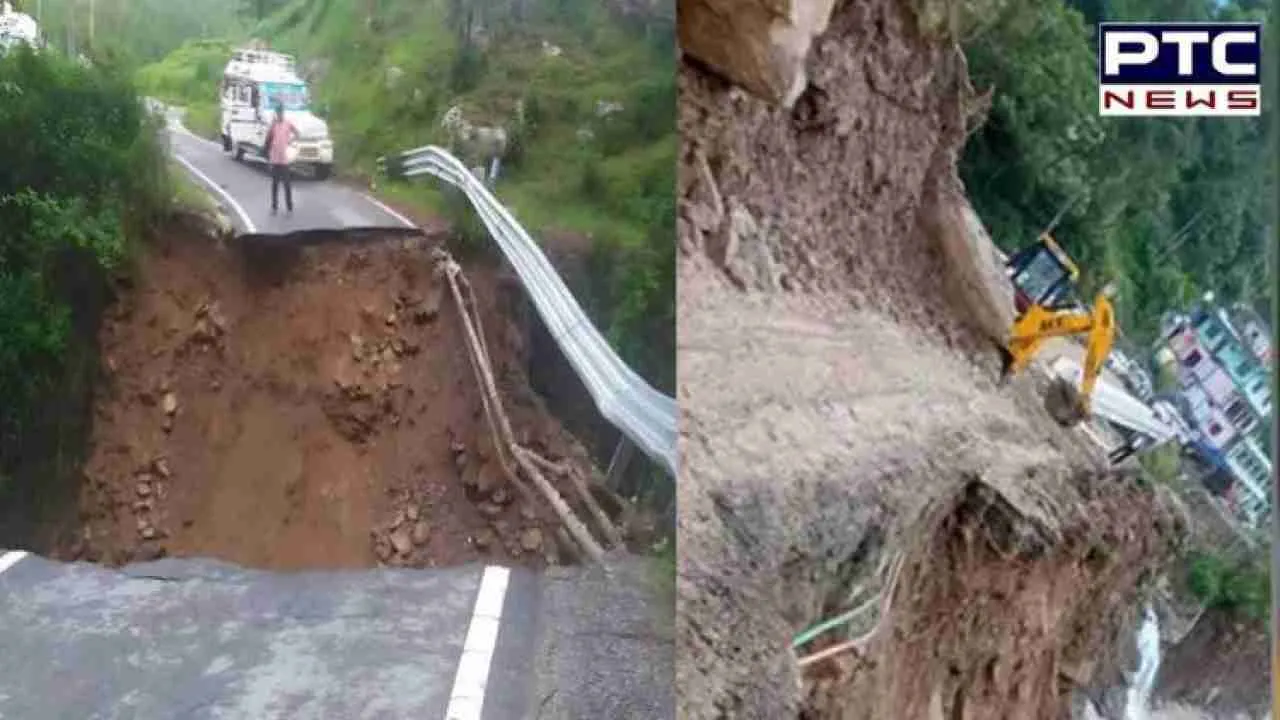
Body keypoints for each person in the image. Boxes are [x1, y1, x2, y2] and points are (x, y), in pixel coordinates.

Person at [263, 103, 299, 214]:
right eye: (278, 112)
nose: (279, 114)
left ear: (283, 112)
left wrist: (291, 142)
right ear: (276, 113)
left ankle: (289, 205)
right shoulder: (273, 125)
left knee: (287, 183)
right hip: (275, 159)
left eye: (281, 112)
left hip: (284, 159)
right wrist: (267, 153)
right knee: (275, 183)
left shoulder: (288, 123)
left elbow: (297, 133)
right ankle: (274, 206)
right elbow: (267, 140)